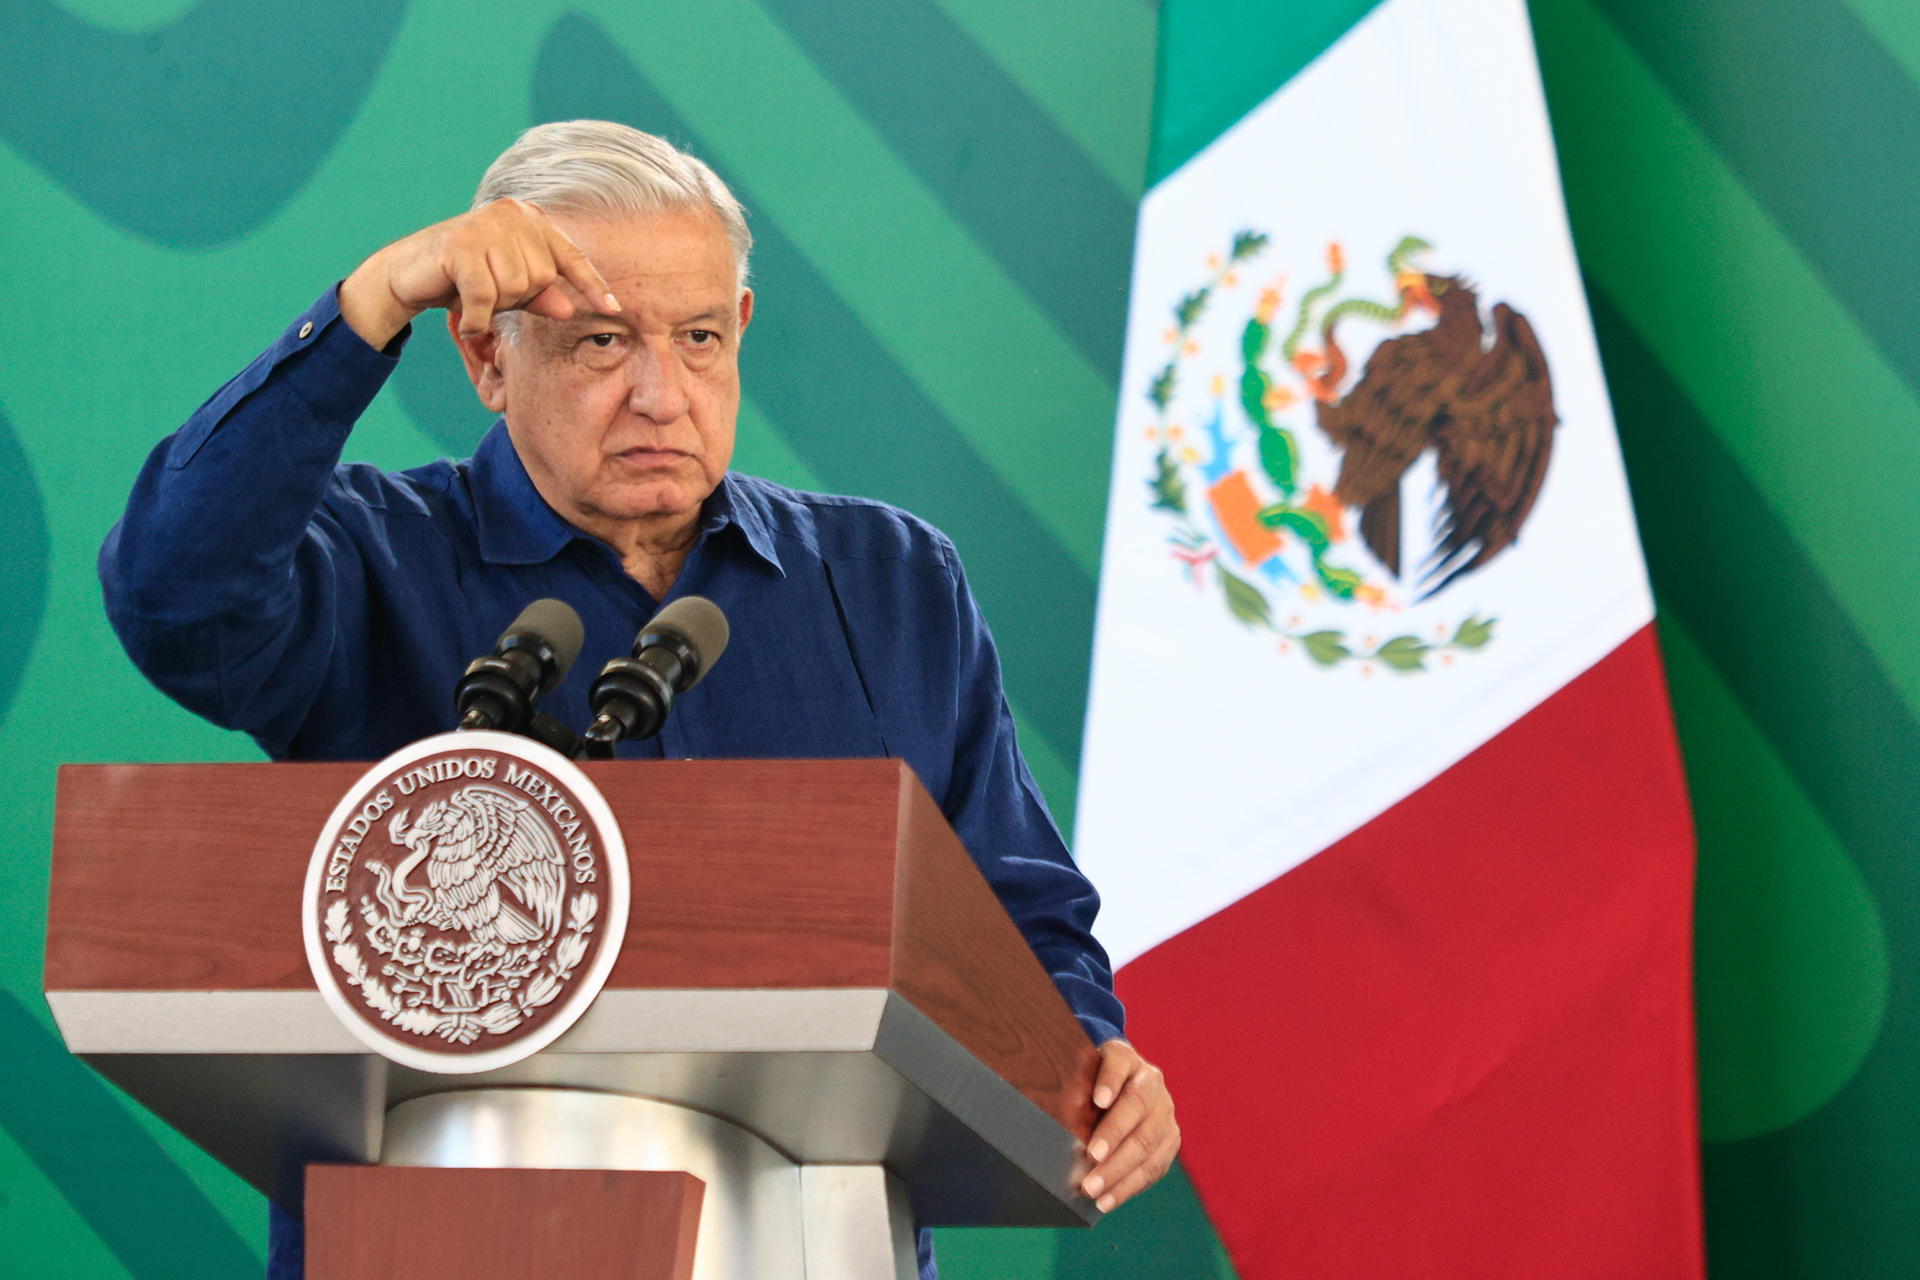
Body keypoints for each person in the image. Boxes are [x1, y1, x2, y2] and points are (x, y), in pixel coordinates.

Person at [100, 120, 1178, 1278]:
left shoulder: (893, 578)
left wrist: (1096, 1064)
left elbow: (1021, 919)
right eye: (602, 341)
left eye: (700, 338)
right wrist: (373, 300)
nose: (662, 395)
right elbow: (174, 592)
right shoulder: (374, 559)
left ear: (742, 334)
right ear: (484, 355)